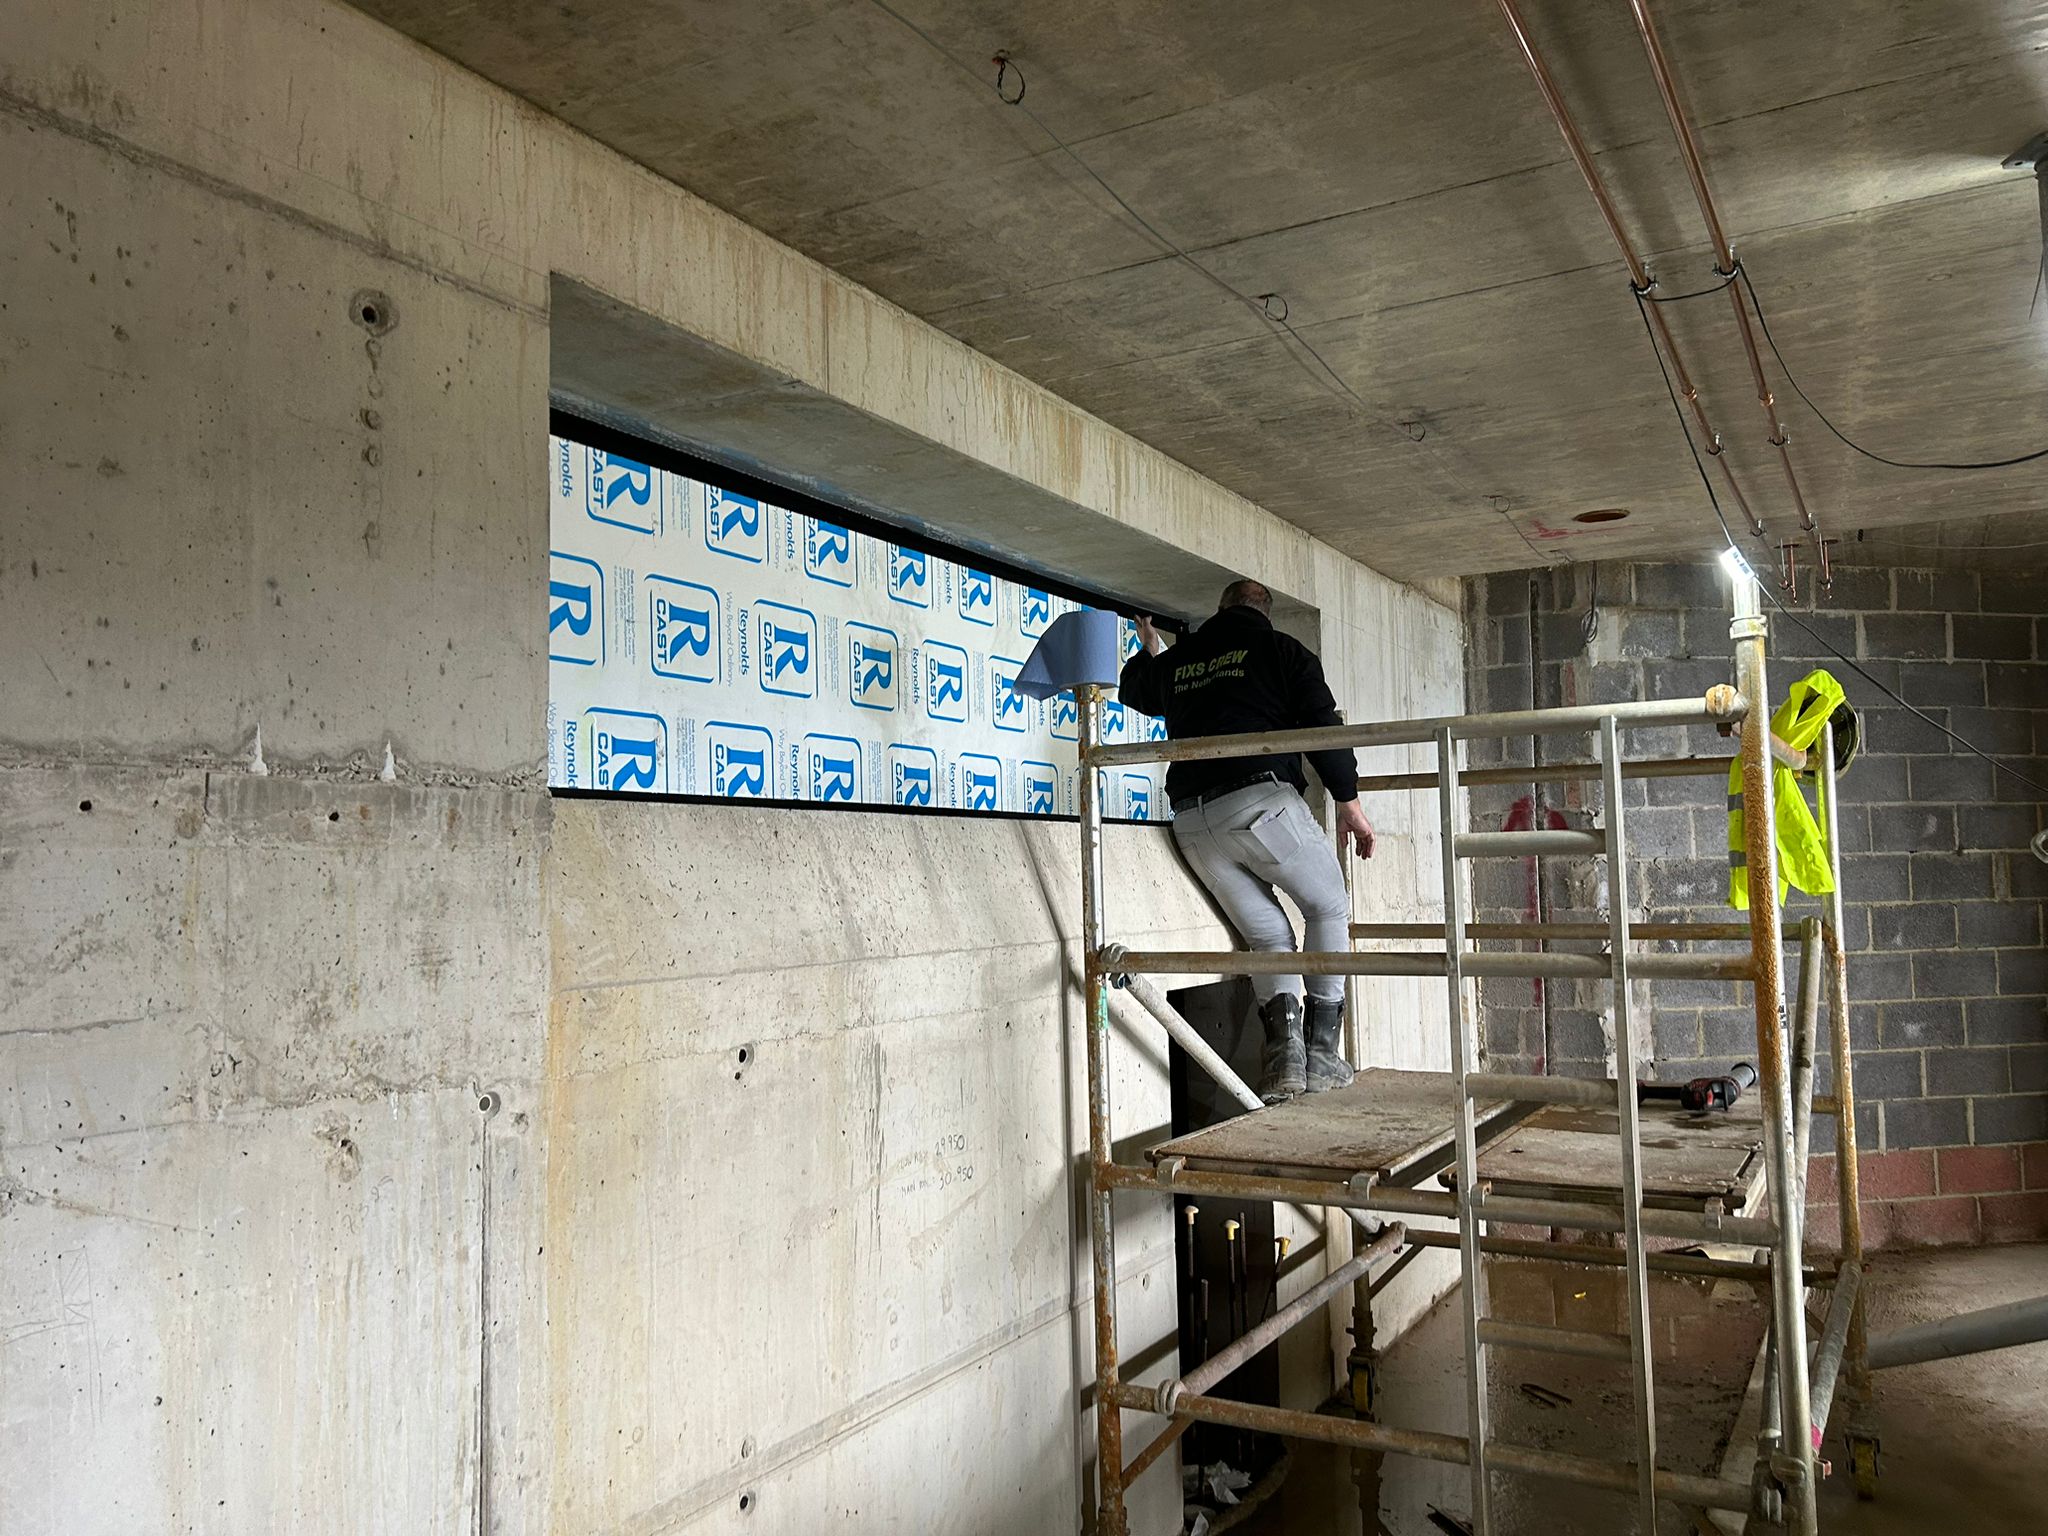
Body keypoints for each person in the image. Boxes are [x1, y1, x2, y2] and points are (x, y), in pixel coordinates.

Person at [1119, 578, 1375, 1105]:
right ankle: (1323, 1052)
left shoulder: (1184, 659)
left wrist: (1150, 650)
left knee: (1269, 937)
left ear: (1221, 610)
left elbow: (1134, 690)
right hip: (1258, 806)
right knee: (1327, 906)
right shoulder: (1281, 650)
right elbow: (1322, 728)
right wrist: (1348, 802)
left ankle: (1284, 1060)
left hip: (1193, 824)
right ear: (1265, 612)